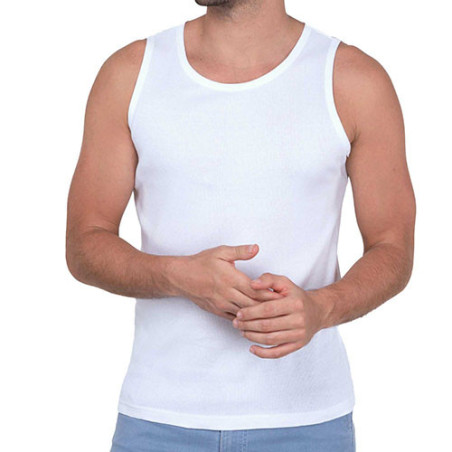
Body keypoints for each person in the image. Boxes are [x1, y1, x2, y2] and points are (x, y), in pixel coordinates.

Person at [65, 0, 416, 450]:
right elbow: (85, 241)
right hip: (159, 420)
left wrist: (321, 308)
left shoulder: (353, 80)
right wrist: (177, 275)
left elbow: (392, 245)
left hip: (307, 423)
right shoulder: (131, 74)